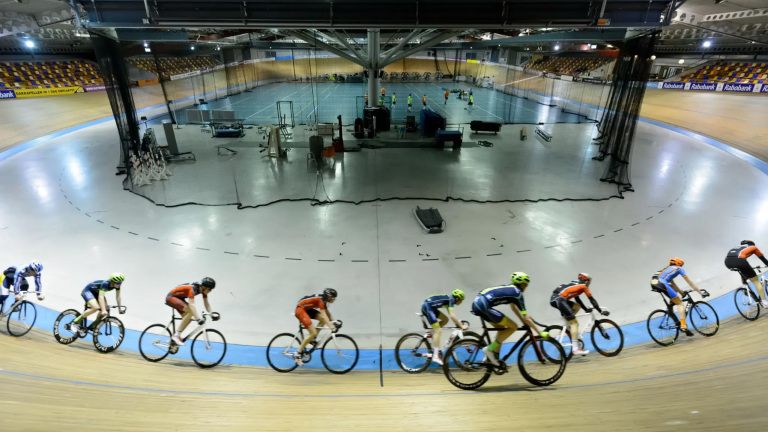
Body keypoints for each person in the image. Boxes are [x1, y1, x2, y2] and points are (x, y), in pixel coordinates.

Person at [470, 272, 548, 366]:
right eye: (526, 285)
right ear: (523, 285)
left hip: (478, 304)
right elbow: (527, 317)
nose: (526, 287)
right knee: (513, 326)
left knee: (501, 329)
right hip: (484, 305)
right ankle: (489, 349)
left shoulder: (511, 289)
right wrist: (539, 332)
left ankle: (496, 358)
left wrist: (522, 320)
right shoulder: (518, 294)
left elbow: (513, 307)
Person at [550, 273, 608, 356]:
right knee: (575, 323)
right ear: (586, 281)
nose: (589, 284)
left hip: (556, 298)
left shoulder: (576, 284)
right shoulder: (583, 286)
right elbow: (592, 300)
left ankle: (569, 323)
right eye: (589, 282)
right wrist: (600, 311)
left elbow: (578, 300)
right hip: (560, 300)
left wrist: (585, 309)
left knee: (577, 307)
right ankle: (575, 349)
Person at [650, 258, 708, 336]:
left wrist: (681, 293)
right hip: (662, 284)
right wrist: (700, 292)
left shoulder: (667, 269)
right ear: (679, 264)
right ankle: (683, 326)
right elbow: (690, 282)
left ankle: (672, 314)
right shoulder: (679, 268)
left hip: (654, 283)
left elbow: (673, 284)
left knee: (673, 296)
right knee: (680, 303)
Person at [421, 289, 468, 366]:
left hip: (430, 306)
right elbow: (452, 315)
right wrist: (461, 325)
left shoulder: (449, 299)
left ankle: (434, 333)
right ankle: (435, 356)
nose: (461, 302)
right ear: (457, 298)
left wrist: (457, 322)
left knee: (445, 320)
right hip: (427, 307)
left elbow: (451, 315)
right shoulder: (451, 300)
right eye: (461, 300)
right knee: (438, 330)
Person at [165, 277, 216, 345]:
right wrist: (198, 319)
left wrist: (211, 314)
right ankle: (176, 336)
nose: (210, 291)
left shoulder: (203, 290)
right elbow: (192, 305)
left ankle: (174, 339)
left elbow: (206, 303)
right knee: (190, 311)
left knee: (188, 318)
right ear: (203, 287)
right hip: (171, 297)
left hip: (179, 298)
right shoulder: (193, 289)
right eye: (209, 289)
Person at [293, 288, 338, 366]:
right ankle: (297, 353)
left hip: (306, 309)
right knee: (313, 332)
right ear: (328, 297)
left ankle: (312, 339)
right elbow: (324, 315)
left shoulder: (323, 301)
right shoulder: (321, 301)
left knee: (323, 320)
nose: (334, 300)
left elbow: (327, 314)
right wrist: (331, 328)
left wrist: (334, 322)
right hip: (300, 309)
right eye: (333, 298)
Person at [725, 240, 768, 308]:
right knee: (756, 280)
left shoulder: (737, 248)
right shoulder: (753, 248)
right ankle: (764, 301)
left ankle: (744, 285)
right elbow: (763, 259)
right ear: (751, 244)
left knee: (742, 269)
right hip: (739, 261)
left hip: (727, 262)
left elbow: (740, 258)